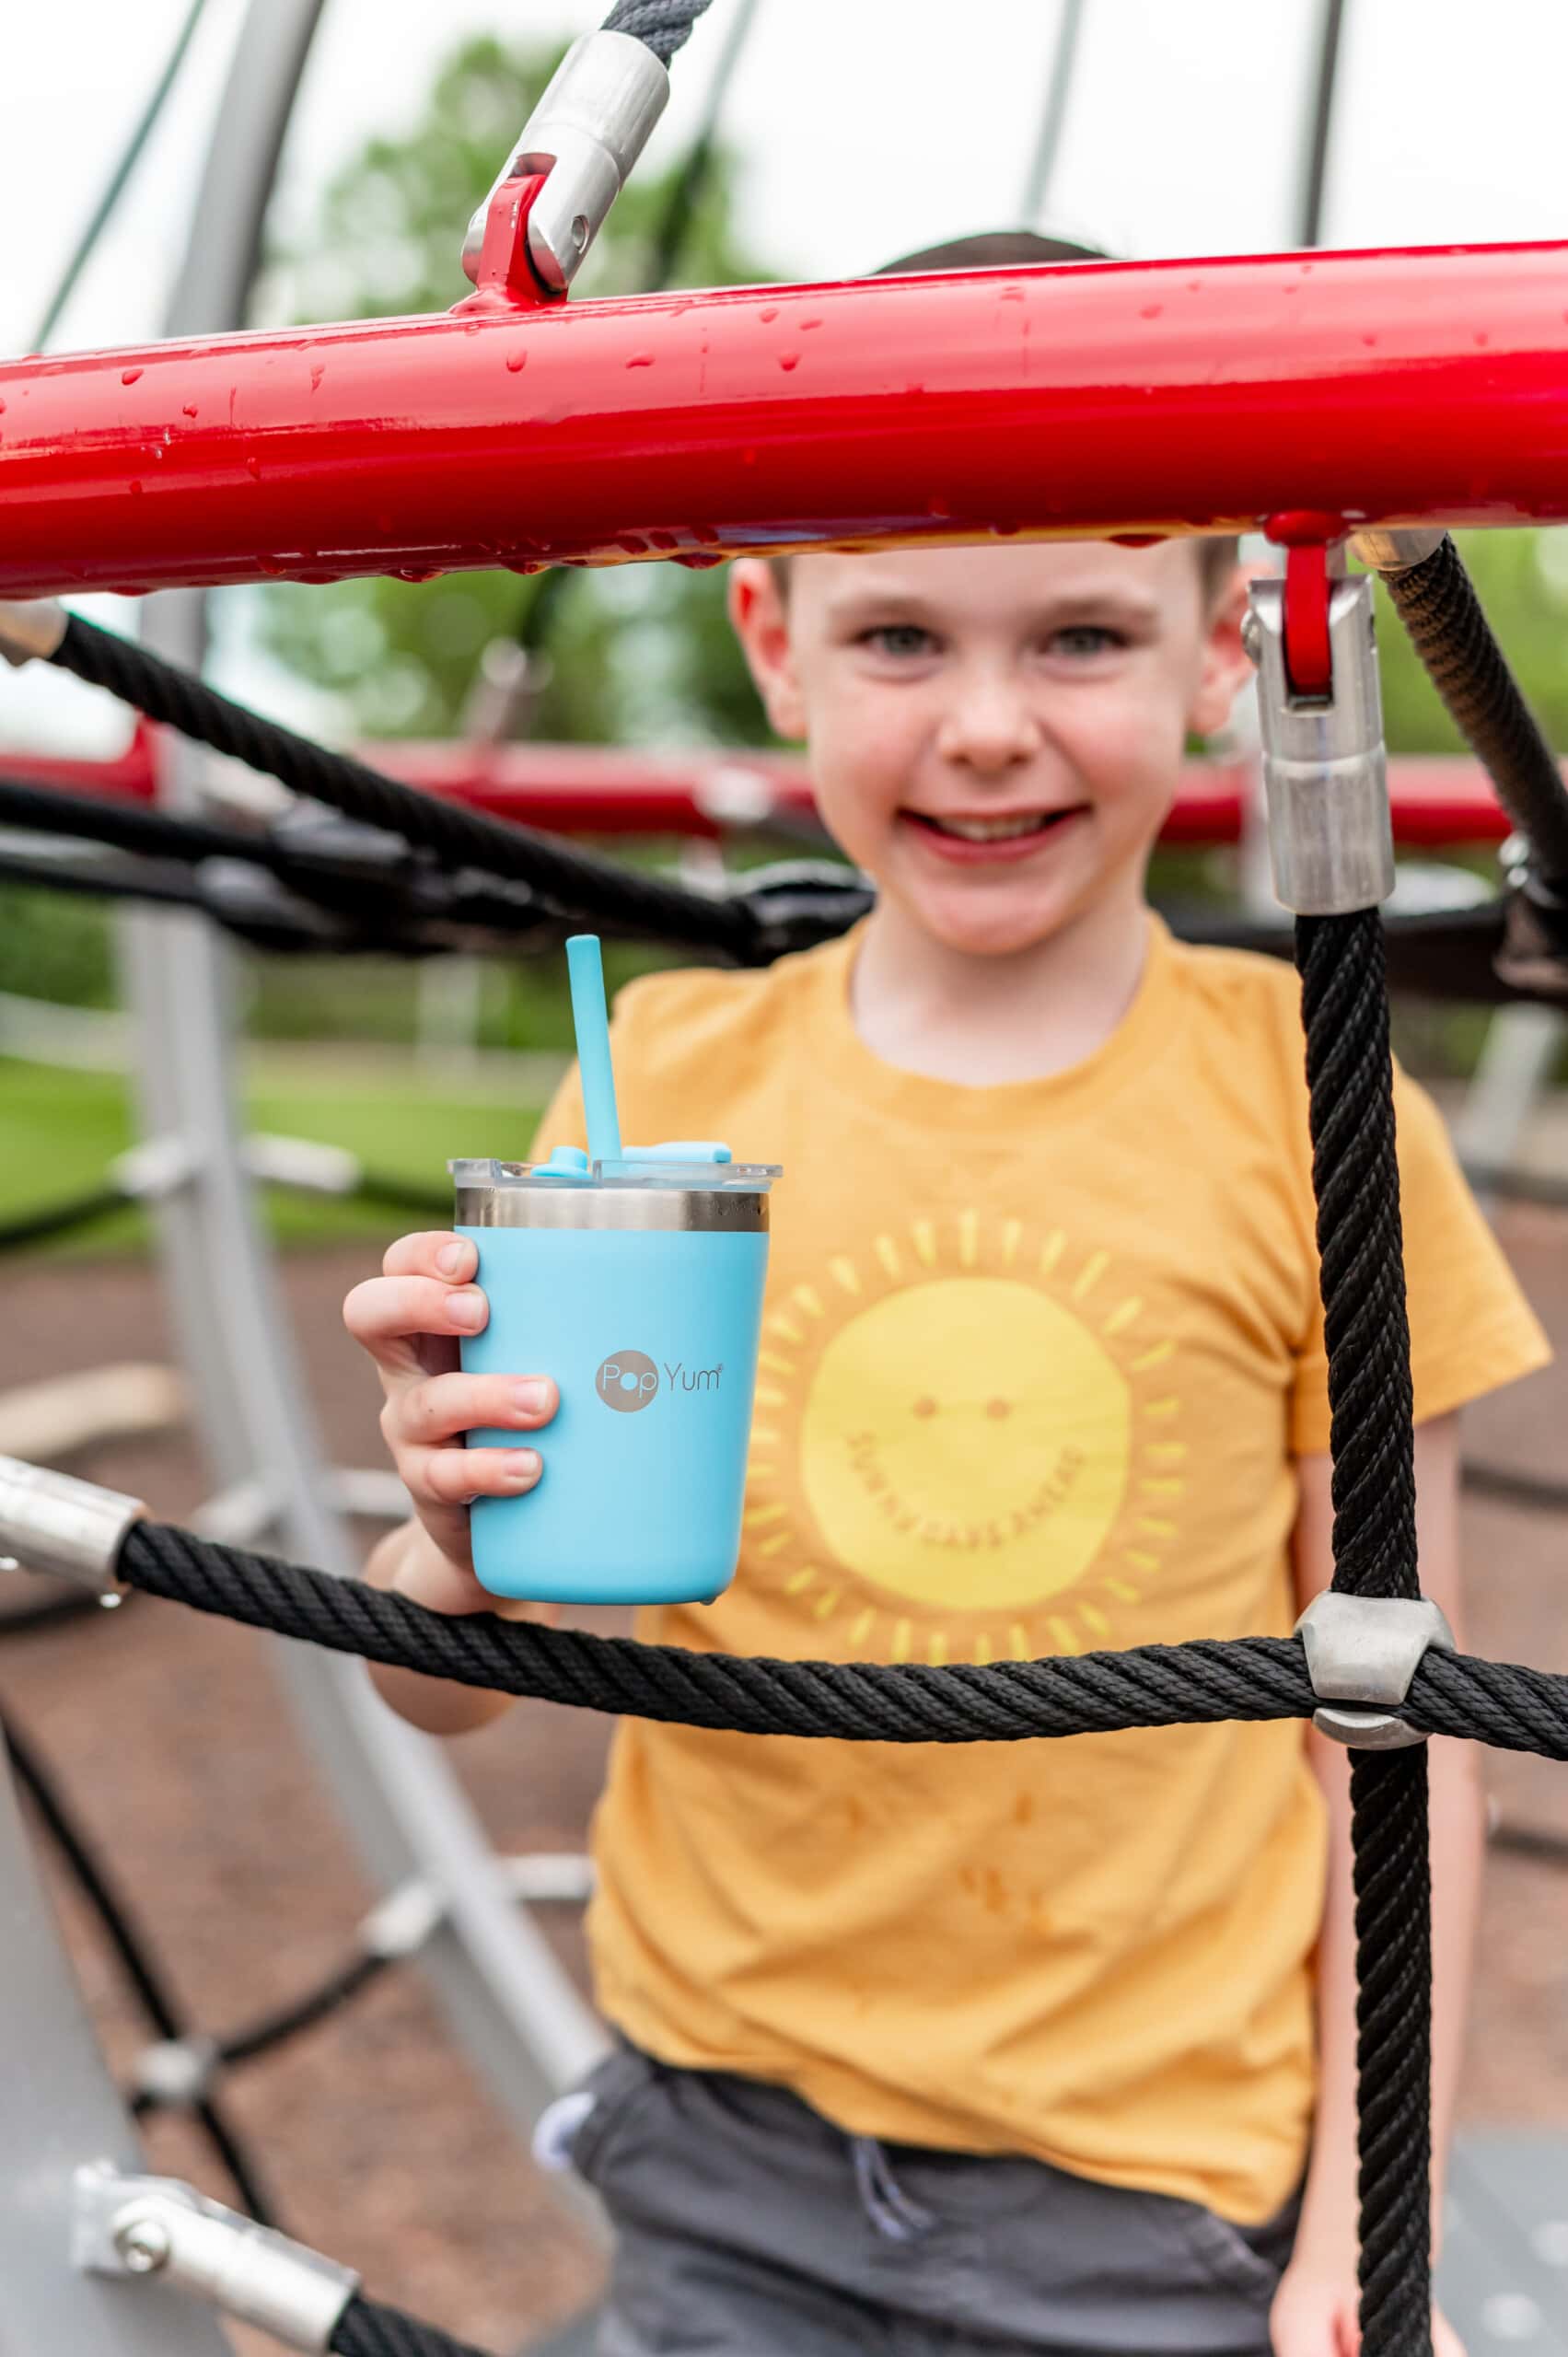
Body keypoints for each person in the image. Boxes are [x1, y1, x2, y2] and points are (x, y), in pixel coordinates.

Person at [343, 233, 1548, 2357]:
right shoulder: (667, 1101)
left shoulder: (1320, 1113)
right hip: (714, 2139)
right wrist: (441, 1551)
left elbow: (1410, 1735)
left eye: (1080, 631)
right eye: (900, 632)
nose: (988, 730)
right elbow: (468, 1680)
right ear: (773, 638)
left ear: (1220, 646)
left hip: (1146, 2188)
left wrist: (1380, 2215)